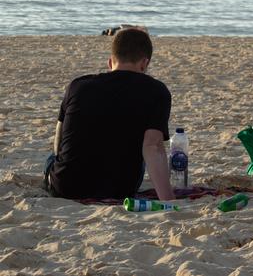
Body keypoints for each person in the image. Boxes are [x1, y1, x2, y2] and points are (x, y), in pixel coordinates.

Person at [44, 28, 175, 200]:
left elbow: (59, 138)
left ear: (110, 61)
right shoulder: (157, 91)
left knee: (51, 158)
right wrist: (167, 199)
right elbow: (153, 146)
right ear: (144, 63)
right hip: (118, 189)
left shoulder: (78, 85)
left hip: (66, 187)